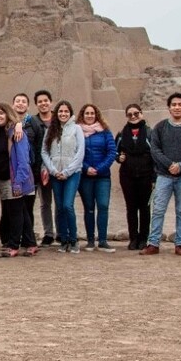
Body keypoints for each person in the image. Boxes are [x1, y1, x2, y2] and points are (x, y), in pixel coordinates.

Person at [141, 93, 181, 257]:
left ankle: (180, 244)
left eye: (180, 104)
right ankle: (153, 243)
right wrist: (169, 165)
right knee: (158, 210)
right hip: (164, 176)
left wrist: (180, 166)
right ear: (169, 108)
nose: (177, 107)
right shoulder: (160, 127)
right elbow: (155, 150)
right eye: (174, 104)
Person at [0, 103, 37, 257]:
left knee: (16, 212)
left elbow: (23, 160)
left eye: (1, 113)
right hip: (4, 179)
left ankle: (14, 245)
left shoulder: (17, 133)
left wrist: (18, 181)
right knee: (21, 211)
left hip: (16, 178)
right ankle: (31, 243)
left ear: (8, 114)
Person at [41, 101, 84, 254]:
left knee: (68, 205)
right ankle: (63, 240)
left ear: (70, 113)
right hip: (55, 174)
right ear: (56, 113)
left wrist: (67, 171)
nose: (63, 114)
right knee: (59, 207)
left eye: (66, 111)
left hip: (72, 173)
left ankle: (73, 239)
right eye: (60, 111)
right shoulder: (51, 130)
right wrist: (53, 170)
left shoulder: (77, 129)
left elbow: (80, 153)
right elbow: (44, 152)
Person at [77, 104, 117, 252]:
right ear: (82, 115)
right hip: (85, 176)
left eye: (92, 113)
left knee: (103, 206)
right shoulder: (78, 131)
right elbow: (76, 152)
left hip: (103, 176)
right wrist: (86, 168)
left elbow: (112, 152)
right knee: (89, 208)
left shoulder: (105, 131)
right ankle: (90, 240)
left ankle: (103, 240)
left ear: (96, 114)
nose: (89, 115)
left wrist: (99, 169)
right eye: (86, 113)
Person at [115, 104, 155, 250]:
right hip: (127, 176)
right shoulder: (121, 134)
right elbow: (114, 152)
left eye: (136, 113)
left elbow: (155, 154)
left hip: (146, 175)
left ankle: (144, 238)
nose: (133, 117)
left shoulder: (150, 133)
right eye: (130, 114)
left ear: (141, 114)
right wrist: (119, 158)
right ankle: (133, 238)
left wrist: (154, 178)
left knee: (145, 208)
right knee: (131, 208)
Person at [10, 93, 43, 252]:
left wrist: (36, 172)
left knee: (25, 208)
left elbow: (39, 148)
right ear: (13, 104)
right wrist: (17, 124)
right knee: (18, 208)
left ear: (28, 106)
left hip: (27, 172)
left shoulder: (34, 123)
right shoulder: (10, 124)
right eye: (18, 101)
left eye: (24, 101)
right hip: (12, 172)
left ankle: (27, 242)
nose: (20, 104)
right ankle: (26, 241)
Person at [32, 90, 56, 245]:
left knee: (61, 203)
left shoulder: (59, 119)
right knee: (45, 202)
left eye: (45, 100)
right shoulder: (33, 121)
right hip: (40, 168)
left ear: (51, 102)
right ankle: (48, 233)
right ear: (36, 104)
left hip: (59, 167)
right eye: (40, 101)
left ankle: (62, 233)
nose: (43, 103)